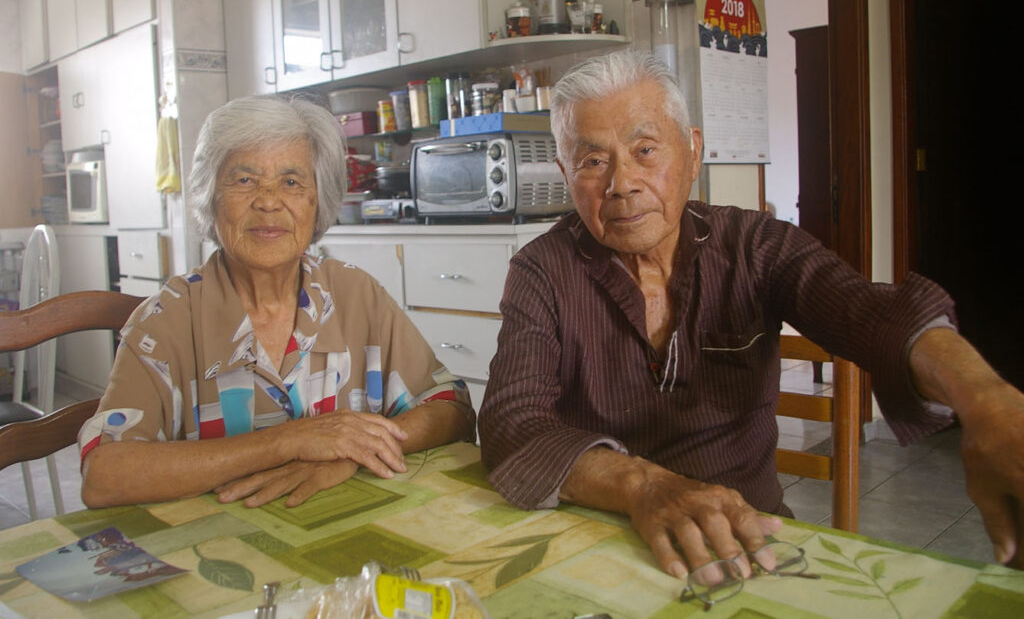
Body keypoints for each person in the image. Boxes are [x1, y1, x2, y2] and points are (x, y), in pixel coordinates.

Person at [478, 49, 1024, 579]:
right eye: (594, 161)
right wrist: (643, 486)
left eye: (646, 149)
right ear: (564, 173)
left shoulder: (755, 245)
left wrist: (985, 398)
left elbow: (869, 311)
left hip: (748, 538)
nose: (622, 183)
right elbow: (511, 423)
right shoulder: (542, 269)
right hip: (598, 540)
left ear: (691, 151)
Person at [80, 95, 474, 509]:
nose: (269, 201)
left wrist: (350, 452)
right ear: (210, 198)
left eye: (291, 182)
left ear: (317, 201)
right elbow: (105, 476)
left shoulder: (355, 293)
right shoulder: (168, 319)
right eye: (245, 180)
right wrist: (290, 441)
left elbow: (452, 408)